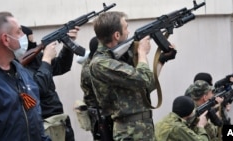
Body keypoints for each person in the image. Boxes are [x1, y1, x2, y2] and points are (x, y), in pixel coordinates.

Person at [89, 11, 177, 141]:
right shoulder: (100, 64)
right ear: (117, 35)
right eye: (126, 28)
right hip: (129, 133)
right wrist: (142, 53)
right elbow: (143, 78)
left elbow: (147, 85)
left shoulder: (120, 57)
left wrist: (161, 60)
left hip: (144, 129)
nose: (129, 32)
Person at [20, 25, 78, 141]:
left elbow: (62, 66)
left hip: (58, 119)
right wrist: (46, 59)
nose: (34, 43)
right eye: (31, 41)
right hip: (43, 123)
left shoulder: (37, 58)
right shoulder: (18, 67)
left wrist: (68, 45)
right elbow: (38, 88)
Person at [0, 11, 51, 141]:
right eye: (19, 32)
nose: (24, 36)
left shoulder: (21, 72)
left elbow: (35, 119)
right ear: (6, 39)